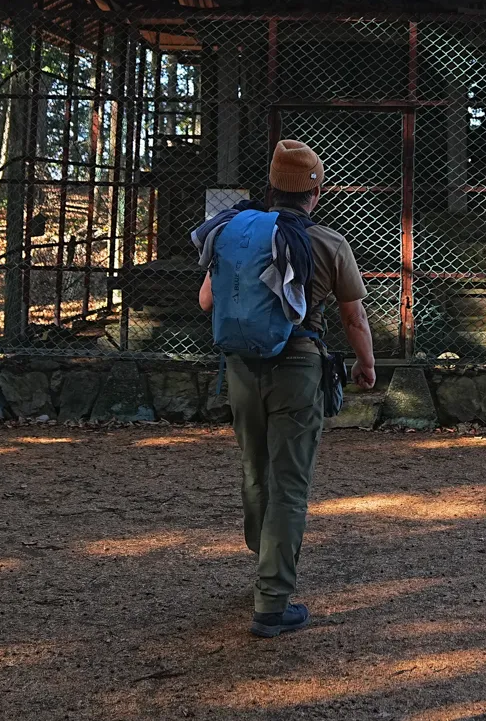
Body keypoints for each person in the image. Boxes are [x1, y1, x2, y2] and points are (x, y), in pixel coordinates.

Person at [196, 139, 377, 639]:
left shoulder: (235, 232)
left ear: (271, 186)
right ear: (314, 192)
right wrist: (366, 364)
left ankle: (265, 562)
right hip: (297, 366)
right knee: (290, 483)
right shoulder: (327, 242)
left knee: (256, 469)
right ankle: (272, 600)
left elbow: (207, 302)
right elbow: (352, 315)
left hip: (240, 367)